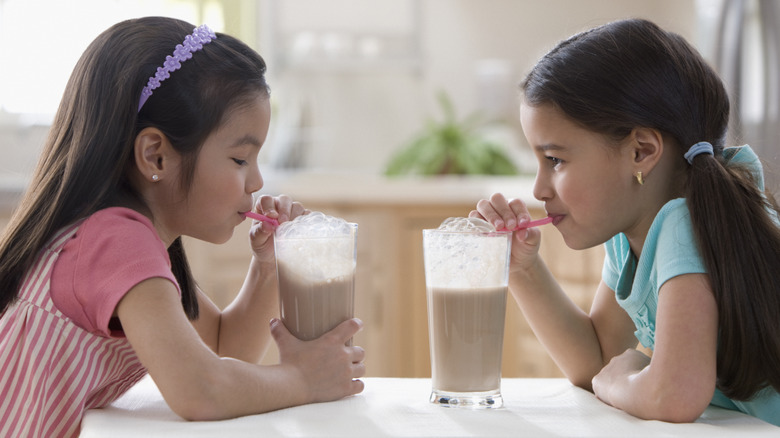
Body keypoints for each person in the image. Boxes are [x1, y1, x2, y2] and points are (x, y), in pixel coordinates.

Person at [0, 17, 365, 438]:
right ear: (155, 156)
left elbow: (222, 347)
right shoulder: (115, 240)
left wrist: (267, 267)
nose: (257, 182)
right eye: (240, 159)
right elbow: (201, 390)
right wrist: (302, 379)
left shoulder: (125, 239)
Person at [471, 18, 780, 425]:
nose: (540, 189)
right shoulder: (634, 234)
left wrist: (619, 382)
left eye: (555, 160)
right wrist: (523, 269)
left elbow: (674, 395)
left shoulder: (684, 224)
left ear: (641, 152)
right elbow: (597, 358)